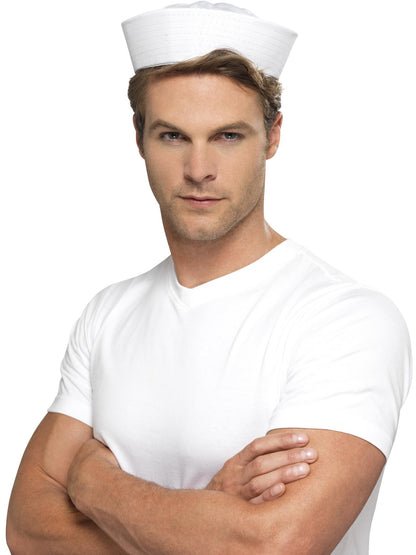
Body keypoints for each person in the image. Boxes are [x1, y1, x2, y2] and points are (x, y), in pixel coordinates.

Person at [6, 2, 412, 554]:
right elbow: (27, 527)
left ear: (272, 137)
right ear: (138, 137)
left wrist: (92, 482)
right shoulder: (108, 314)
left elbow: (270, 547)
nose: (199, 170)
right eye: (173, 136)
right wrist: (204, 519)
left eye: (228, 136)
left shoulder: (345, 319)